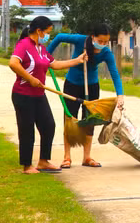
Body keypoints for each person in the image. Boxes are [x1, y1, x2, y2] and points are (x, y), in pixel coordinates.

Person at [9, 16, 86, 175]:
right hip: (23, 95)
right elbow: (13, 63)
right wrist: (30, 78)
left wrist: (77, 60)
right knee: (27, 130)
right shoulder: (24, 44)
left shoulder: (41, 48)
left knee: (48, 126)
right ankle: (27, 166)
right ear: (39, 31)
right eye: (48, 32)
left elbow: (54, 64)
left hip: (39, 94)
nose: (48, 35)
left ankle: (43, 161)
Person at [46, 22, 125, 168]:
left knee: (90, 121)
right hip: (72, 85)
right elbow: (59, 37)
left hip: (92, 87)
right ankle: (67, 157)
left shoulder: (106, 53)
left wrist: (120, 95)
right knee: (69, 119)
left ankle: (87, 157)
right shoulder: (80, 40)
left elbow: (114, 74)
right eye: (100, 41)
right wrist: (45, 57)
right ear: (92, 36)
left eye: (106, 42)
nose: (102, 44)